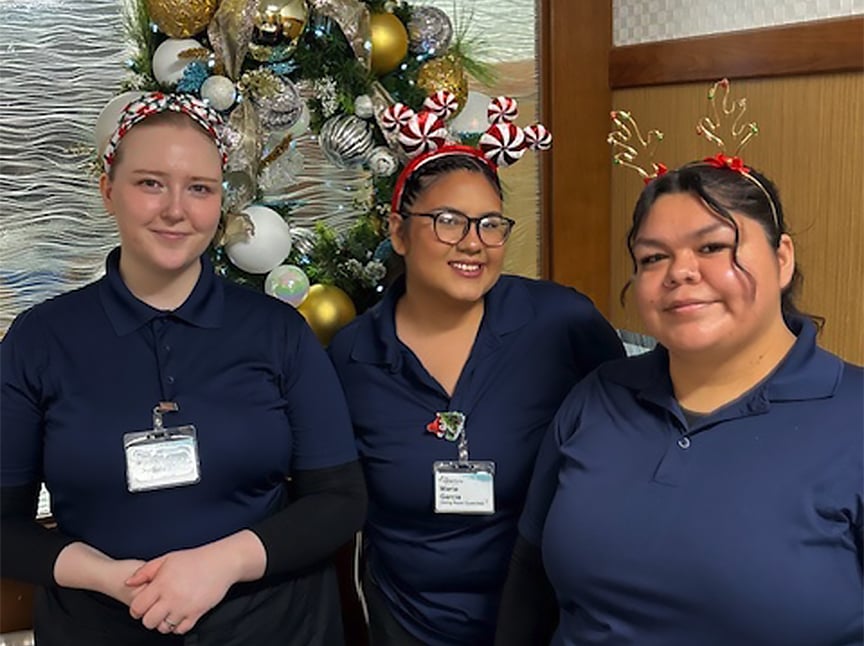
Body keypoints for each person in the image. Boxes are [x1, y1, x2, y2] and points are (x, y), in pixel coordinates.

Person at [0, 92, 367, 645]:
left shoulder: (277, 332)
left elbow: (340, 501)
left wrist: (221, 564)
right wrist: (110, 578)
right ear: (108, 190)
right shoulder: (41, 340)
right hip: (100, 629)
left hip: (273, 628)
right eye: (150, 183)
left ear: (221, 202)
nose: (176, 209)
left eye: (200, 188)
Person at [496, 159, 864, 645]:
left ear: (781, 259)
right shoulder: (597, 397)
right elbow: (529, 584)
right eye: (653, 258)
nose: (680, 272)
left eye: (712, 246)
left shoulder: (851, 417)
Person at [327, 143, 625, 645]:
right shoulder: (354, 356)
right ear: (398, 232)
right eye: (448, 220)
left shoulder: (559, 323)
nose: (473, 242)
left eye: (491, 224)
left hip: (548, 616)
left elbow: (632, 432)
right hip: (407, 621)